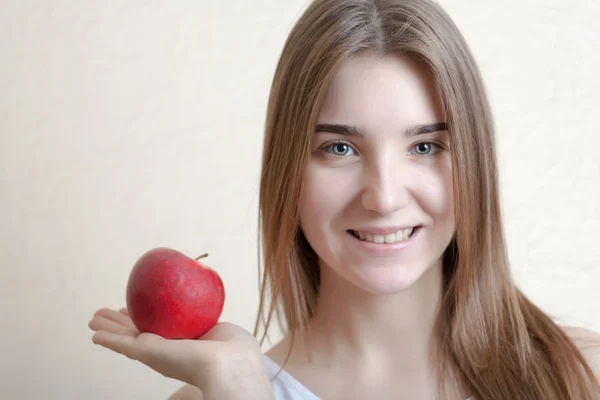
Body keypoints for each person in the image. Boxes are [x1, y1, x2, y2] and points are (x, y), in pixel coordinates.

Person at [88, 0, 600, 399]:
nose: (383, 196)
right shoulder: (218, 393)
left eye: (425, 146)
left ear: (475, 163)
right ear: (287, 169)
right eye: (339, 148)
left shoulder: (582, 376)